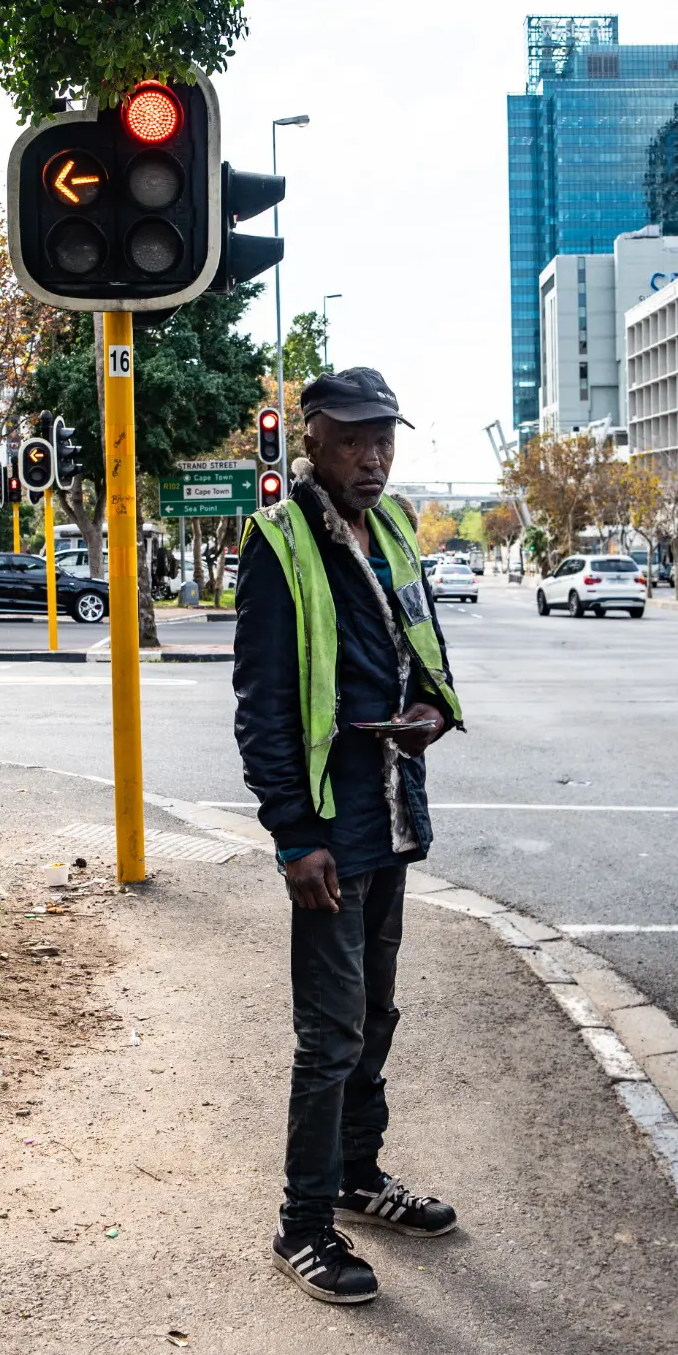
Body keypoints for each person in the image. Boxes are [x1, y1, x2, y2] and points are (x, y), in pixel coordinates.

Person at [232, 367, 464, 1306]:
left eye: (387, 440)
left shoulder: (397, 528)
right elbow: (264, 705)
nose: (375, 457)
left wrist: (431, 711)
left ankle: (358, 1179)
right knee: (328, 1034)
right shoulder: (279, 542)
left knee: (377, 1015)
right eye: (357, 440)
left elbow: (423, 645)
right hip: (329, 826)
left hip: (394, 807)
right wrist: (293, 835)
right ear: (312, 440)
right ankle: (302, 1225)